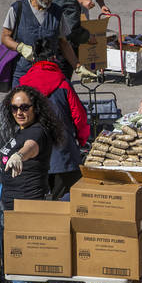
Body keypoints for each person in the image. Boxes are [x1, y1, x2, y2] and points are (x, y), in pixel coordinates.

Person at [18, 39, 90, 199]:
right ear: (54, 59)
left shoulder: (22, 86)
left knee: (39, 209)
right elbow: (79, 117)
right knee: (66, 207)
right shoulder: (63, 84)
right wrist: (82, 140)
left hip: (32, 158)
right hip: (63, 158)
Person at [0, 0, 79, 87]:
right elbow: (5, 37)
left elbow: (64, 43)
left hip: (48, 73)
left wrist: (78, 66)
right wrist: (20, 47)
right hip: (23, 72)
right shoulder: (18, 9)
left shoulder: (57, 13)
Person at [0, 85, 59, 209]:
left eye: (24, 108)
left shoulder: (37, 131)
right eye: (14, 108)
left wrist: (19, 155)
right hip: (11, 200)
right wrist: (2, 156)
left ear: (35, 108)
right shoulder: (21, 129)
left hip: (29, 202)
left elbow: (30, 146)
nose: (19, 113)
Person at [47, 0, 91, 79]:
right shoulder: (68, 0)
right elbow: (72, 30)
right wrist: (87, 37)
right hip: (63, 53)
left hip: (44, 51)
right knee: (61, 87)